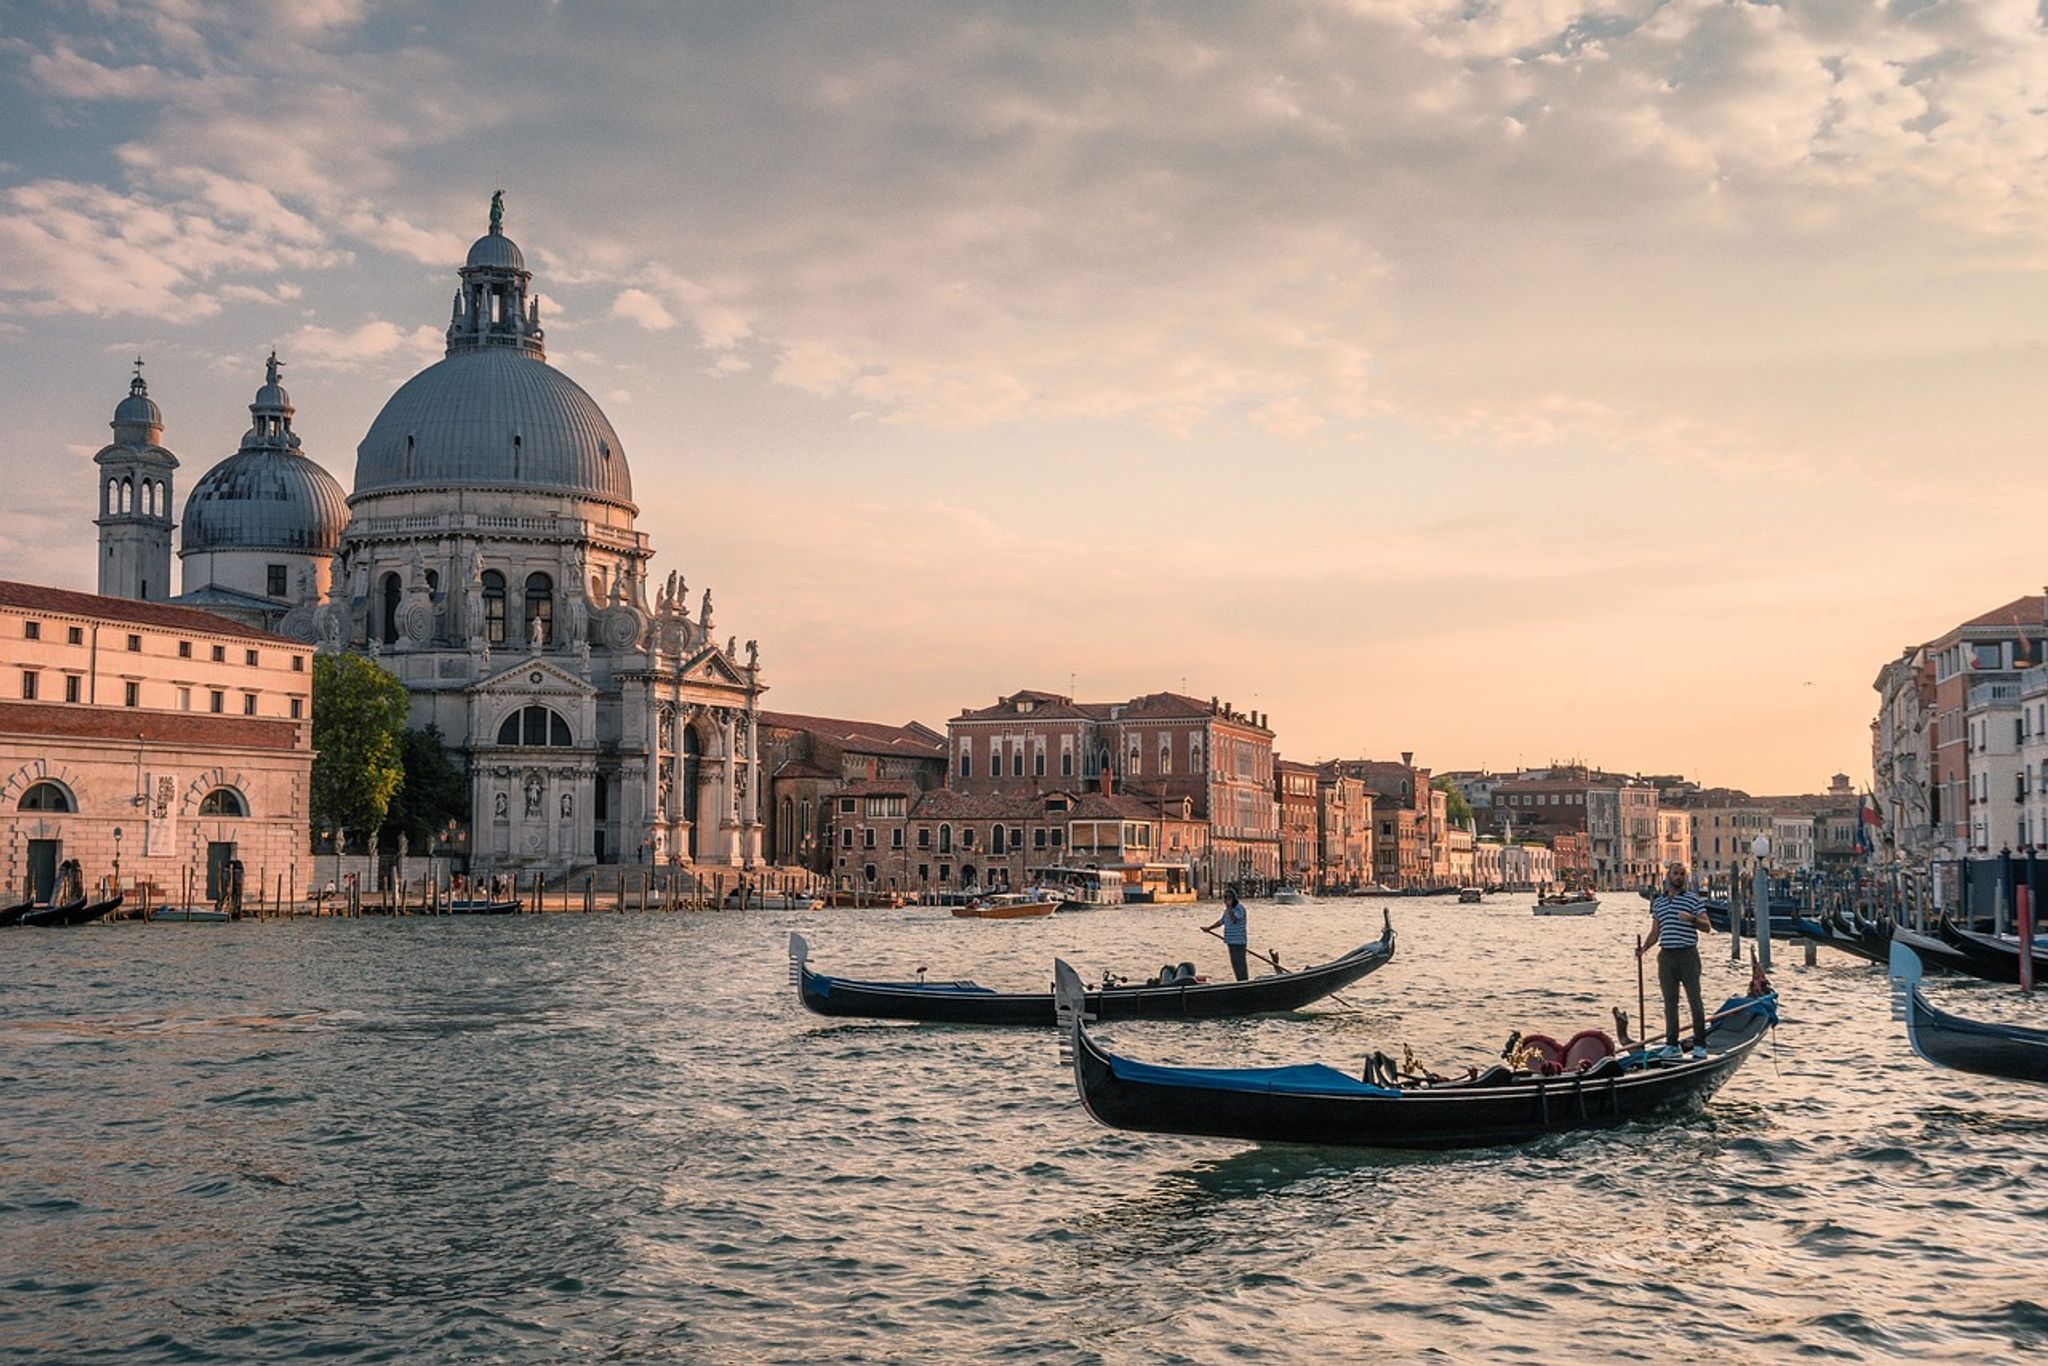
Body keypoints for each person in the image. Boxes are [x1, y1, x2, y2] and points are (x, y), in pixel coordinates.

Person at [1638, 863, 1713, 1059]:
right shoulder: (1659, 903)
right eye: (1676, 873)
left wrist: (1692, 920)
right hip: (1667, 956)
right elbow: (1655, 933)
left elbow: (1707, 926)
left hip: (1688, 955)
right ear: (1668, 876)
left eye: (1682, 874)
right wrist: (1643, 949)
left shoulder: (1693, 900)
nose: (1679, 877)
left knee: (1694, 1001)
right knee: (1669, 1003)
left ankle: (1700, 1044)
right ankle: (1672, 1044)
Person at [1206, 887, 1251, 981]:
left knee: (1240, 964)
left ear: (1233, 898)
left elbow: (1234, 920)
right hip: (1230, 941)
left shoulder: (1239, 908)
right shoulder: (1226, 911)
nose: (1226, 900)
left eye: (1228, 898)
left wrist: (1229, 908)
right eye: (1225, 898)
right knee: (1234, 964)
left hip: (1239, 941)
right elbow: (1221, 922)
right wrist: (1209, 928)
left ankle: (1244, 981)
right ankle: (1239, 981)